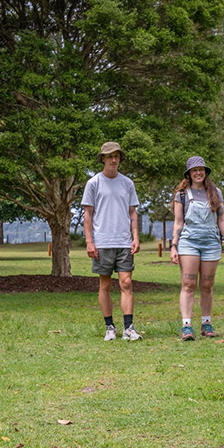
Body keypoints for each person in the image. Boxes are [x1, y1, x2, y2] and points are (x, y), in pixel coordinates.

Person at [82, 141, 142, 341]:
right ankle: (110, 327)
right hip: (102, 242)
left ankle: (129, 328)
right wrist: (90, 242)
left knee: (126, 282)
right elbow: (87, 215)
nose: (114, 160)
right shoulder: (94, 183)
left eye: (116, 156)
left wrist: (136, 237)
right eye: (110, 156)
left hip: (124, 242)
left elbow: (133, 213)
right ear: (103, 159)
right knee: (105, 285)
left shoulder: (127, 183)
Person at [169, 156, 224, 341]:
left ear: (205, 172)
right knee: (188, 284)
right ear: (189, 174)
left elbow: (222, 219)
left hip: (211, 243)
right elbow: (178, 222)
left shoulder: (215, 193)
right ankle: (186, 326)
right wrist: (174, 246)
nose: (198, 173)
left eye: (201, 169)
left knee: (207, 285)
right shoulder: (181, 195)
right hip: (188, 242)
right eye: (194, 170)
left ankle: (206, 323)